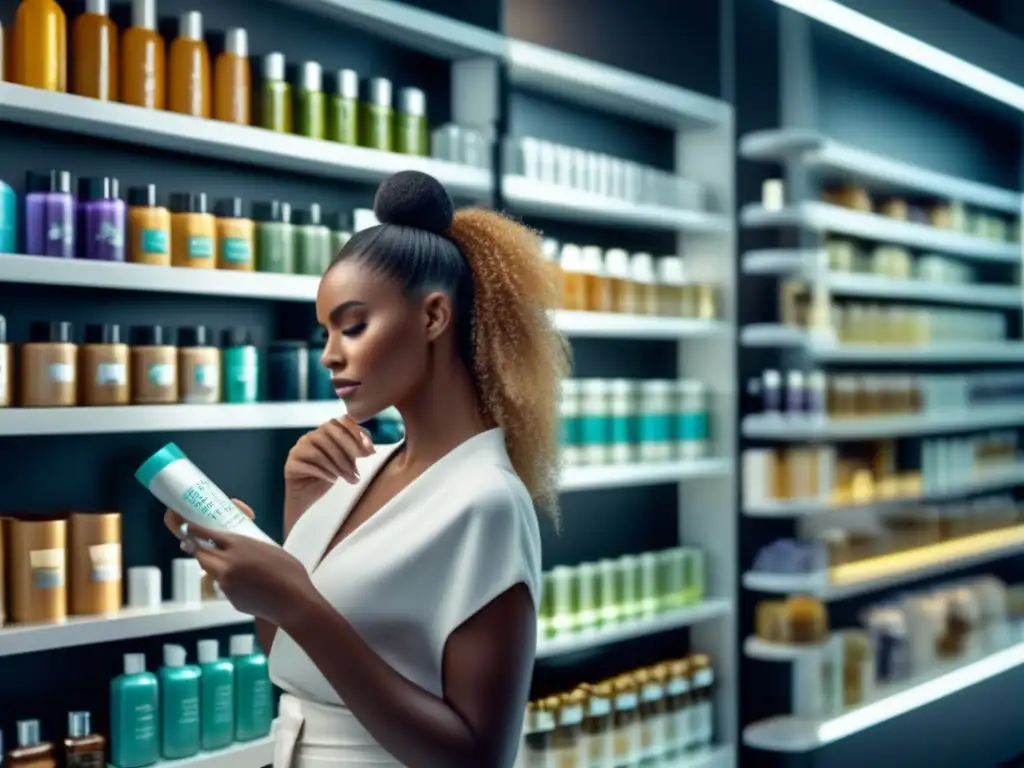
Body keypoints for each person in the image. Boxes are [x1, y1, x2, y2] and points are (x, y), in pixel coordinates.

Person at [166, 170, 570, 767]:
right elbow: (291, 659)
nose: (330, 354)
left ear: (434, 318)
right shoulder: (353, 470)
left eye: (353, 326)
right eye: (326, 330)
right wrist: (284, 529)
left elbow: (479, 758)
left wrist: (295, 598)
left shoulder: (486, 501)